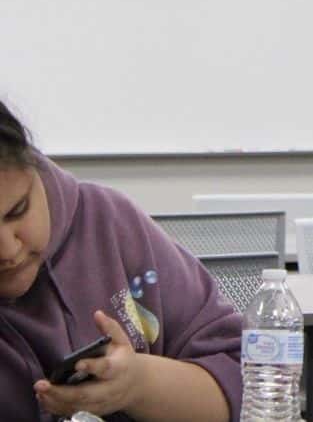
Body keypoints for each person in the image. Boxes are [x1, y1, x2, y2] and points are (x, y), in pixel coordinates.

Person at [0, 99, 242, 422]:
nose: (7, 249)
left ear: (33, 167)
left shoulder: (111, 225)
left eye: (18, 211)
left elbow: (243, 378)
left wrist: (138, 385)